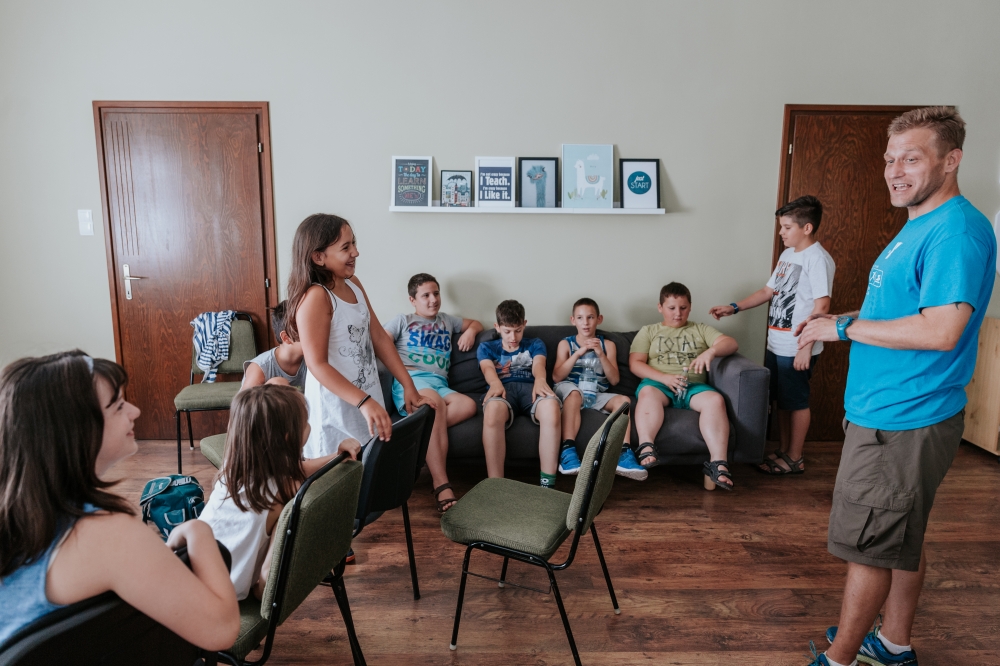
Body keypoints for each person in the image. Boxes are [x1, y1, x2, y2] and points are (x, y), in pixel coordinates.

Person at [798, 107, 995, 666]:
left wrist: (841, 329)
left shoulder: (955, 232)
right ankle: (893, 644)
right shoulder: (921, 225)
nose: (894, 171)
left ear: (951, 160)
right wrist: (843, 321)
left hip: (905, 418)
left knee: (869, 547)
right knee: (898, 537)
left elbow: (942, 329)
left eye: (911, 158)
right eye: (889, 159)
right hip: (888, 412)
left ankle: (839, 659)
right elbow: (902, 312)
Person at [0, 351, 239, 649]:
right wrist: (198, 530)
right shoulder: (105, 535)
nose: (135, 411)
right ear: (76, 430)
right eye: (117, 406)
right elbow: (222, 629)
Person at [285, 214, 429, 459]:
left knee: (370, 468)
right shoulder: (316, 297)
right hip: (337, 411)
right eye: (346, 247)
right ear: (318, 257)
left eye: (354, 243)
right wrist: (364, 402)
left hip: (366, 400)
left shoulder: (354, 284)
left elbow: (379, 337)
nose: (356, 252)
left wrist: (408, 384)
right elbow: (317, 364)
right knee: (343, 476)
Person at [710, 195, 835, 475]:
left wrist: (806, 346)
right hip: (776, 344)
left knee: (797, 402)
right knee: (781, 401)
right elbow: (768, 291)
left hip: (797, 346)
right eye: (781, 226)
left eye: (787, 227)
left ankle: (795, 457)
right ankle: (784, 450)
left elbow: (822, 307)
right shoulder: (787, 255)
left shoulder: (818, 259)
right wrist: (734, 307)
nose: (781, 232)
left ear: (807, 228)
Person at [199, 384, 360, 600]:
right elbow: (266, 582)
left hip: (190, 572)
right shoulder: (284, 492)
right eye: (306, 422)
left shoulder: (232, 469)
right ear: (287, 438)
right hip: (219, 596)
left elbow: (298, 469)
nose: (309, 426)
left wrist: (336, 455)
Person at [383, 273, 482, 512]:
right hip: (413, 381)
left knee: (468, 405)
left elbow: (475, 323)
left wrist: (470, 332)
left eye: (436, 293)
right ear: (412, 300)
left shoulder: (447, 320)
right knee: (435, 404)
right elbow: (382, 342)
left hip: (440, 383)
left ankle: (416, 431)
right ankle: (441, 484)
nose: (433, 299)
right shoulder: (403, 320)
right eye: (425, 295)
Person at [629, 282, 739, 490]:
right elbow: (635, 364)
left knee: (715, 400)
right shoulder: (649, 331)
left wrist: (711, 351)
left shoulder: (700, 329)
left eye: (683, 308)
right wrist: (664, 378)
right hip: (658, 383)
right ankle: (646, 447)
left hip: (693, 386)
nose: (678, 313)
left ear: (690, 307)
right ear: (660, 307)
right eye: (671, 308)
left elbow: (731, 343)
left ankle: (718, 464)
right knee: (647, 393)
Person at [551, 297, 646, 480]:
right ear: (573, 320)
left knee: (624, 401)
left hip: (596, 393)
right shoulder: (566, 344)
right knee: (574, 394)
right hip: (570, 390)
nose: (585, 323)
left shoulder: (608, 345)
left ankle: (624, 454)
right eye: (580, 318)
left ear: (599, 319)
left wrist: (601, 354)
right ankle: (567, 451)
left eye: (590, 317)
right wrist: (578, 353)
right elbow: (556, 376)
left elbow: (614, 380)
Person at [477, 299, 561, 486]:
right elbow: (487, 369)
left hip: (531, 388)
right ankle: (496, 485)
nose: (513, 337)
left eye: (518, 330)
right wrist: (495, 383)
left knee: (551, 407)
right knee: (492, 410)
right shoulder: (487, 347)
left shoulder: (535, 343)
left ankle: (547, 483)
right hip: (502, 389)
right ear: (497, 327)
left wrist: (540, 379)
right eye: (507, 331)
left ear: (524, 324)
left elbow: (539, 364)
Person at [241, 301, 307, 390]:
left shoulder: (312, 359)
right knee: (278, 383)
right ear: (286, 338)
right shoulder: (260, 368)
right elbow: (246, 399)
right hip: (269, 399)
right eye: (308, 332)